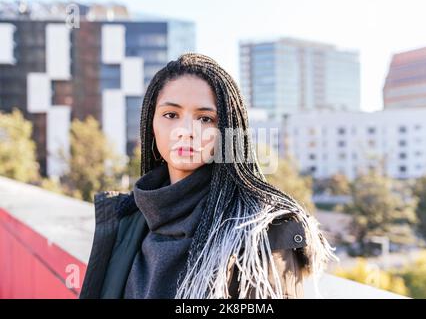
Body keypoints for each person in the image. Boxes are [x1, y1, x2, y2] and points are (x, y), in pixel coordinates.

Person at [79, 52, 337, 299]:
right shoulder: (127, 219)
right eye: (171, 115)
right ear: (151, 123)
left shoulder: (263, 231)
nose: (186, 131)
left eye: (205, 119)